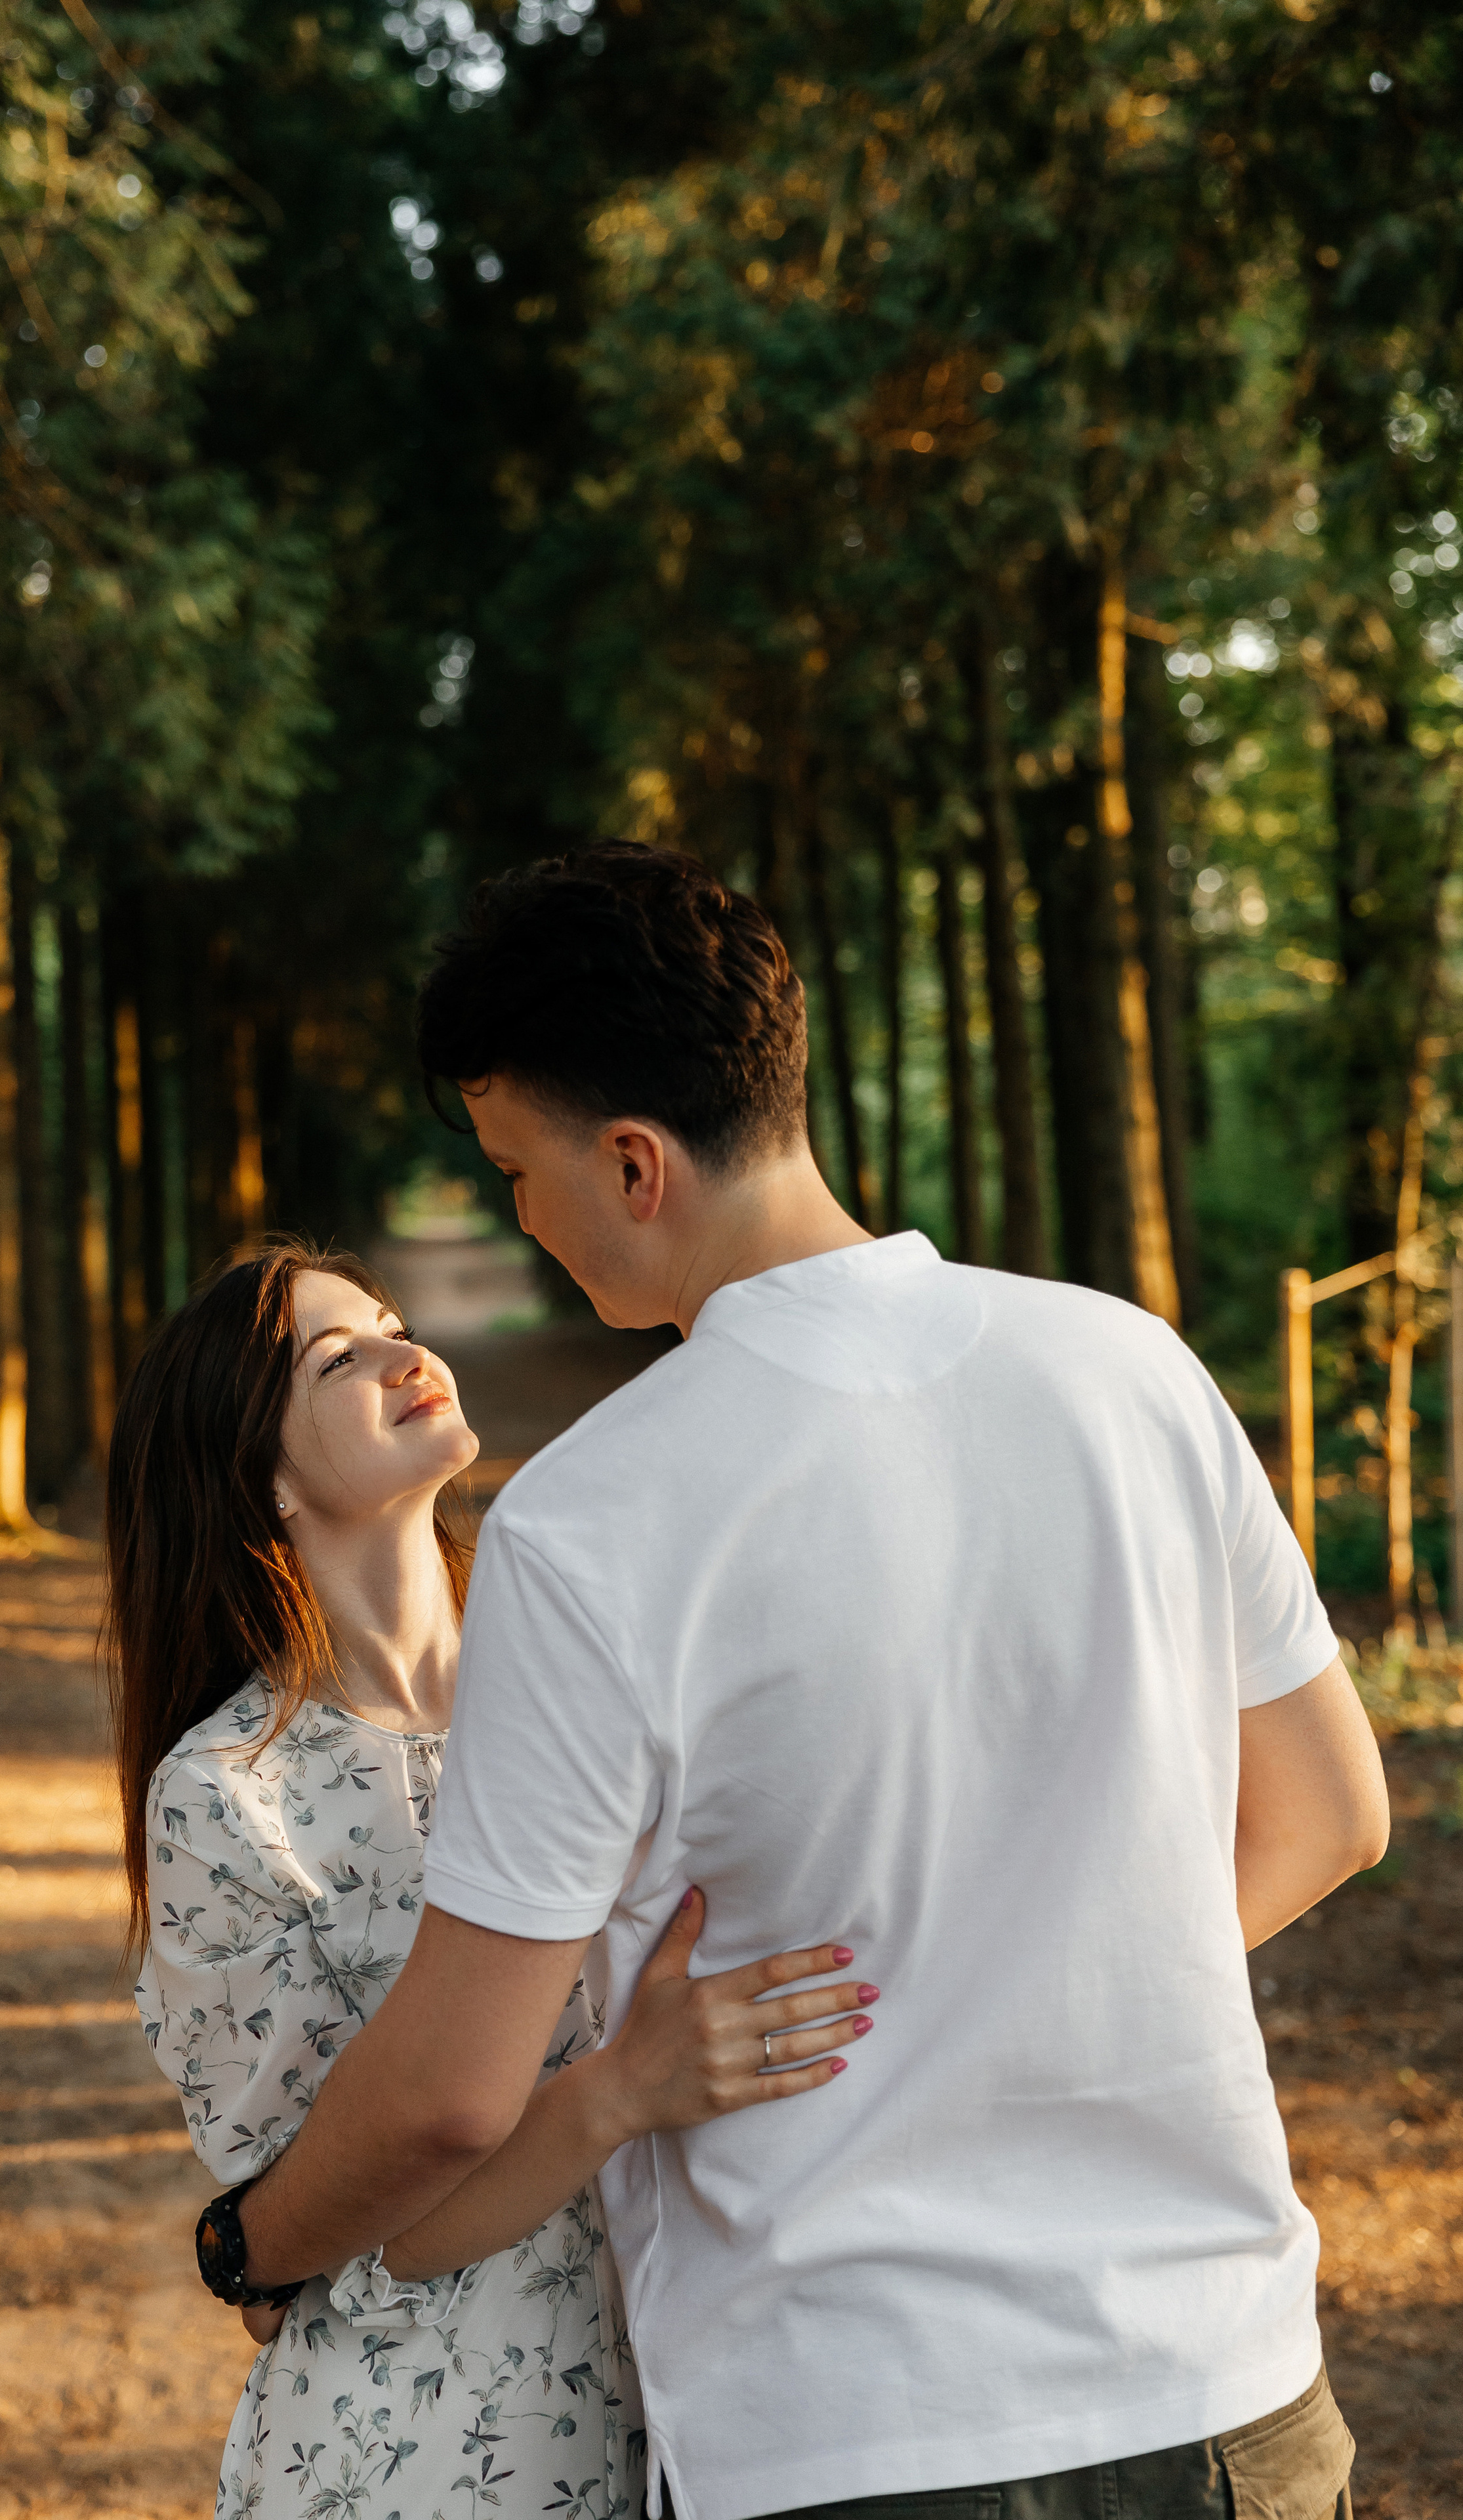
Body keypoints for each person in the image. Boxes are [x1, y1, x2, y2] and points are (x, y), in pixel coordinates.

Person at [230, 845, 1390, 2520]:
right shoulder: (1129, 1367)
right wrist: (1028, 1988)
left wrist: (250, 2237)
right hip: (1227, 2397)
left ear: (633, 1163)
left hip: (855, 2428)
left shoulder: (592, 1517)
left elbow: (454, 2093)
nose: (516, 1219)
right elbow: (1330, 1815)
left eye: (514, 1170)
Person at [106, 1239, 870, 2520]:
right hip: (441, 2446)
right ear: (264, 1483)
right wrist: (613, 2094)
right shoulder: (232, 1794)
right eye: (337, 1361)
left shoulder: (597, 1667)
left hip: (729, 2390)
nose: (408, 1355)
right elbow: (330, 2250)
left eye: (395, 1322)